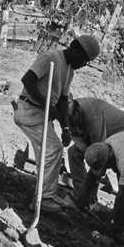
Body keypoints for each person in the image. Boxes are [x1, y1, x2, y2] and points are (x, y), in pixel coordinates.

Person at [14, 35, 101, 214]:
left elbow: (62, 101)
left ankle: (46, 194)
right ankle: (44, 198)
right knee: (52, 149)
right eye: (85, 60)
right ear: (76, 50)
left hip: (42, 114)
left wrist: (66, 128)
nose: (84, 65)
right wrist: (46, 104)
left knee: (51, 150)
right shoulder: (51, 57)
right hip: (29, 109)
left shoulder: (69, 70)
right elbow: (27, 80)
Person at [65, 97, 124, 202]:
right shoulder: (64, 112)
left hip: (121, 130)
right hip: (98, 134)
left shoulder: (91, 112)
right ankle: (81, 194)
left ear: (70, 103)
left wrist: (94, 176)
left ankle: (122, 205)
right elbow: (78, 140)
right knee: (73, 153)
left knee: (111, 163)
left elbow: (99, 153)